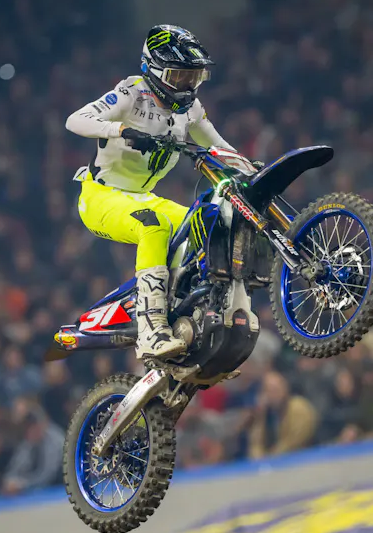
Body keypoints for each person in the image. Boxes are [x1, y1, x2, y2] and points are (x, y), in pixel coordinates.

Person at [65, 24, 245, 359]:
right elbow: (75, 120)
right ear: (156, 70)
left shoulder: (191, 109)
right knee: (155, 225)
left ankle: (196, 315)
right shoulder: (131, 93)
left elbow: (219, 148)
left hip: (143, 197)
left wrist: (251, 170)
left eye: (194, 77)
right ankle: (151, 330)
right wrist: (121, 129)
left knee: (206, 223)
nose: (187, 85)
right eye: (180, 76)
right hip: (100, 197)